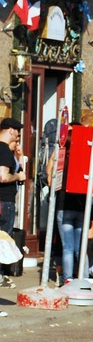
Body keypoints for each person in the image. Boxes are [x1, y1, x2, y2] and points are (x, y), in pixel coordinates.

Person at [46, 122, 93, 285]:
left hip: (63, 206)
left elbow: (50, 179)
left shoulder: (60, 163)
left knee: (67, 247)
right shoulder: (84, 161)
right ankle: (85, 280)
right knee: (80, 248)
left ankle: (68, 279)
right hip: (81, 208)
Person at [0, 117, 25, 291]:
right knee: (3, 239)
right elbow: (3, 176)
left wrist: (20, 157)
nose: (18, 135)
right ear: (10, 130)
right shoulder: (4, 150)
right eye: (17, 132)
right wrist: (17, 177)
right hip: (4, 200)